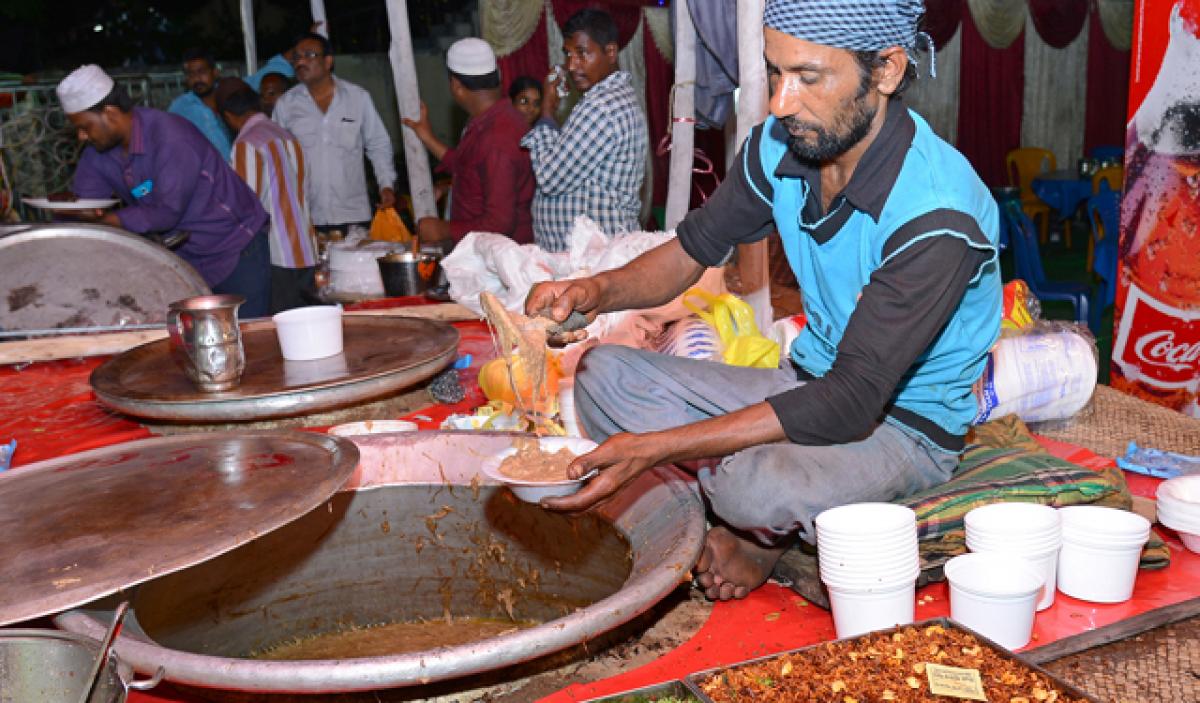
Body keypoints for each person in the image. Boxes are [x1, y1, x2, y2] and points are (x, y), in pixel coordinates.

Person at [526, 0, 1001, 602]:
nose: (780, 103)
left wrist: (656, 448)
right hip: (804, 382)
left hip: (902, 426)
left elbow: (851, 402)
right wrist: (596, 290)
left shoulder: (935, 213)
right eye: (775, 72)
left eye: (808, 77)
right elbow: (692, 250)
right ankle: (741, 512)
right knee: (602, 377)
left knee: (752, 485)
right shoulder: (783, 146)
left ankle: (753, 528)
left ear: (885, 70)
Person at [57, 65, 271, 317]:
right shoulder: (97, 153)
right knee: (193, 337)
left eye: (85, 126)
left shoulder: (170, 136)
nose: (81, 136)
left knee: (246, 333)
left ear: (110, 113)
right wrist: (72, 222)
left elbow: (167, 212)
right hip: (185, 259)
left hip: (236, 248)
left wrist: (110, 220)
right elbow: (84, 202)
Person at [520, 9, 647, 252]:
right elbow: (566, 162)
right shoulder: (610, 99)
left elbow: (550, 178)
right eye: (568, 54)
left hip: (595, 258)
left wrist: (546, 111)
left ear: (610, 52)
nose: (571, 65)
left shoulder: (602, 106)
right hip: (592, 255)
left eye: (582, 53)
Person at [401, 38, 534, 248]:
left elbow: (499, 223)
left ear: (456, 86)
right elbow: (470, 167)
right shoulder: (493, 120)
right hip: (487, 254)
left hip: (498, 259)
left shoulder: (497, 137)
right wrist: (428, 138)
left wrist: (442, 229)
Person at [273, 32, 397, 235]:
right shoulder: (286, 105)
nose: (300, 62)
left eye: (309, 55)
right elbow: (276, 156)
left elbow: (378, 144)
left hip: (352, 215)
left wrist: (386, 184)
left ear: (328, 61)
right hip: (305, 216)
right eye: (296, 57)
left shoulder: (358, 98)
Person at [216, 77, 318, 313]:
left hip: (276, 255)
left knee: (279, 327)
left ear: (228, 116)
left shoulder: (247, 144)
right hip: (306, 250)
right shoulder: (287, 137)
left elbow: (243, 205)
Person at [168, 48, 233, 158]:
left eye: (202, 72)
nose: (197, 79)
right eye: (191, 74)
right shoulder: (180, 108)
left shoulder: (230, 96)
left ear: (215, 72)